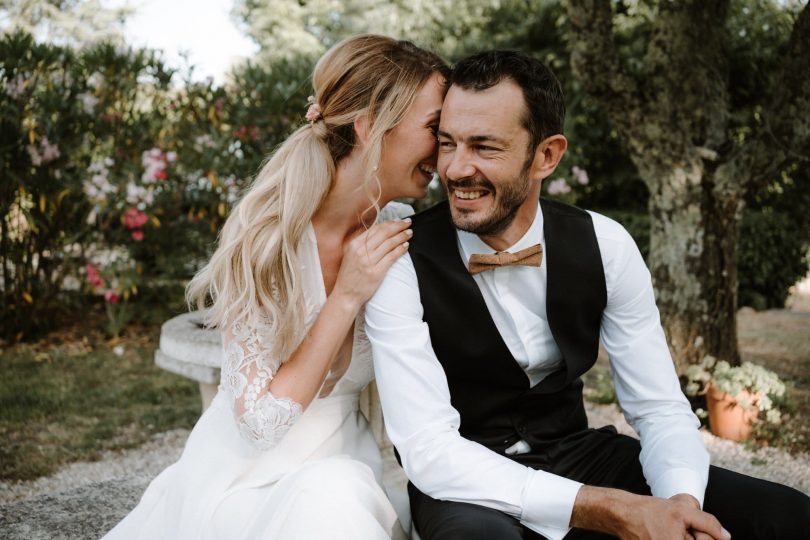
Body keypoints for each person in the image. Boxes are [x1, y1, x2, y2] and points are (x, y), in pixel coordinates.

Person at [366, 50, 810, 540]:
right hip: (467, 481)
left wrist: (681, 503)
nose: (454, 169)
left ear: (547, 156)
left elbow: (659, 406)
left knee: (788, 517)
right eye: (447, 143)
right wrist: (609, 510)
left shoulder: (606, 245)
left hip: (583, 456)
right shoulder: (401, 257)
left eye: (485, 147)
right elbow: (429, 450)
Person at [103, 34, 449, 540]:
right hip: (242, 481)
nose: (445, 148)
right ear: (370, 127)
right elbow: (261, 424)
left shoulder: (397, 227)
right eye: (435, 128)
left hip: (346, 471)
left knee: (334, 499)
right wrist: (347, 295)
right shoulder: (267, 237)